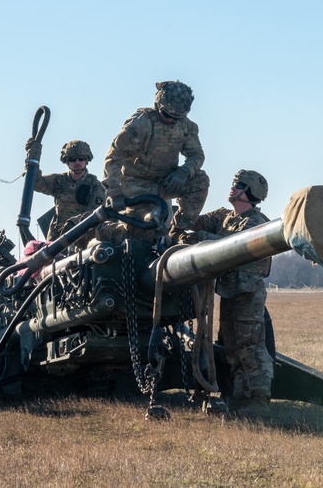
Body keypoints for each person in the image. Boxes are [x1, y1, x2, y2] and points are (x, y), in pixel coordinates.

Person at [189, 169, 274, 414]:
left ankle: (258, 400)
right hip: (228, 291)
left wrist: (203, 237)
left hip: (247, 294)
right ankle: (240, 398)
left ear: (250, 193)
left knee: (250, 347)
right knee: (233, 348)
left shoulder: (256, 224)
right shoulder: (224, 217)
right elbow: (194, 222)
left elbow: (231, 246)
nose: (233, 188)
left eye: (238, 185)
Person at [101, 80, 209, 240]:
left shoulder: (186, 126)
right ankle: (102, 229)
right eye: (168, 116)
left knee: (200, 180)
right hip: (137, 185)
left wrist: (184, 172)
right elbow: (114, 156)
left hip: (168, 181)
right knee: (142, 233)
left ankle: (177, 231)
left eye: (177, 118)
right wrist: (115, 193)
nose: (172, 121)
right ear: (158, 106)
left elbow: (197, 155)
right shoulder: (142, 124)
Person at [31, 140, 106, 240]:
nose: (77, 162)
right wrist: (33, 155)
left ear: (87, 160)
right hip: (56, 239)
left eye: (81, 158)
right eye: (72, 159)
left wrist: (73, 223)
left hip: (82, 238)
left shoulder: (95, 186)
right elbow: (35, 183)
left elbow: (94, 215)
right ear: (67, 161)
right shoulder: (59, 181)